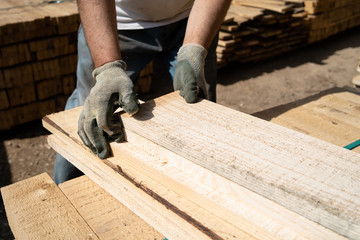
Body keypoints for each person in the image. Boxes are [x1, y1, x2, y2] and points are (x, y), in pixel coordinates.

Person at [54, 0, 231, 185]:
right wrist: (107, 69)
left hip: (193, 20)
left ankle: (195, 188)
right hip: (113, 25)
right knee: (92, 117)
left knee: (199, 111)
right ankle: (64, 189)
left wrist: (195, 49)